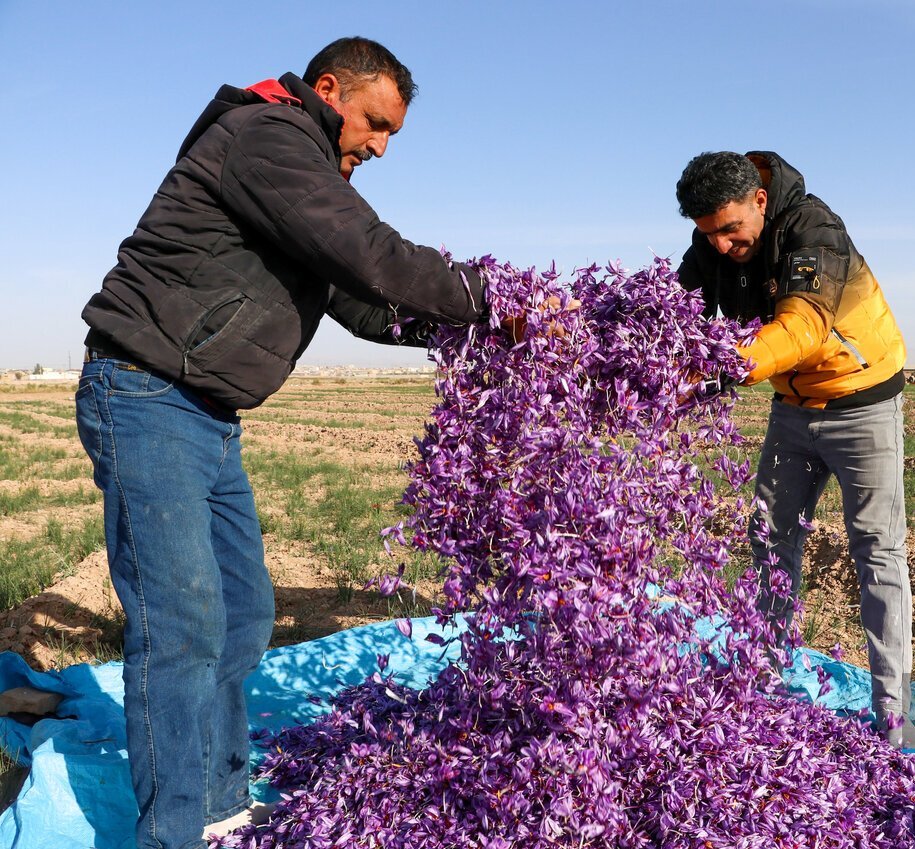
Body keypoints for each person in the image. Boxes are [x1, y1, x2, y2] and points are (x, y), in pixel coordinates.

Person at [76, 37, 491, 849]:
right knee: (182, 625)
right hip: (147, 393)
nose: (377, 146)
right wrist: (489, 294)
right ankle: (172, 832)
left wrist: (481, 333)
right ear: (329, 89)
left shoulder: (306, 177)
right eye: (375, 124)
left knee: (242, 616)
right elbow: (369, 252)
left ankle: (221, 801)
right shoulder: (269, 140)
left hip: (207, 415)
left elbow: (367, 300)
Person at [675, 150, 913, 748]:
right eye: (710, 235)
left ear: (759, 200)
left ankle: (896, 716)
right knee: (770, 536)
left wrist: (716, 368)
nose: (724, 246)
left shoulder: (814, 230)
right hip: (792, 412)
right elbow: (672, 306)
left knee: (877, 554)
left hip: (862, 406)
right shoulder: (712, 246)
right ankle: (768, 678)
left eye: (732, 230)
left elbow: (802, 328)